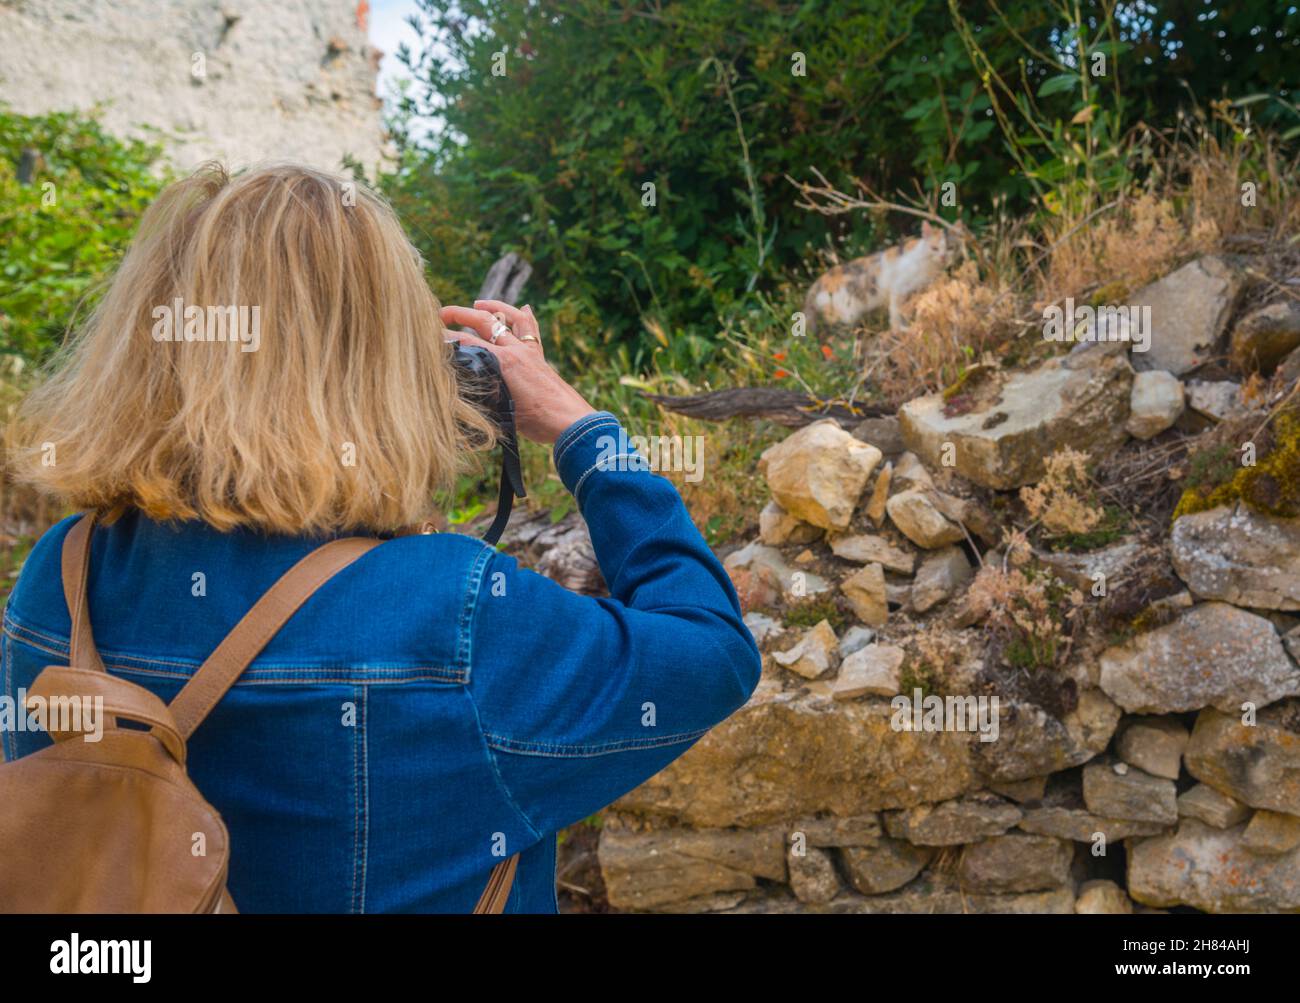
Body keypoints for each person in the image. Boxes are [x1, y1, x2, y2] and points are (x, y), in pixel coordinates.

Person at [2, 163, 761, 913]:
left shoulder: (60, 575)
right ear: (386, 364)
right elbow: (712, 650)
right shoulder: (457, 617)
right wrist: (581, 429)